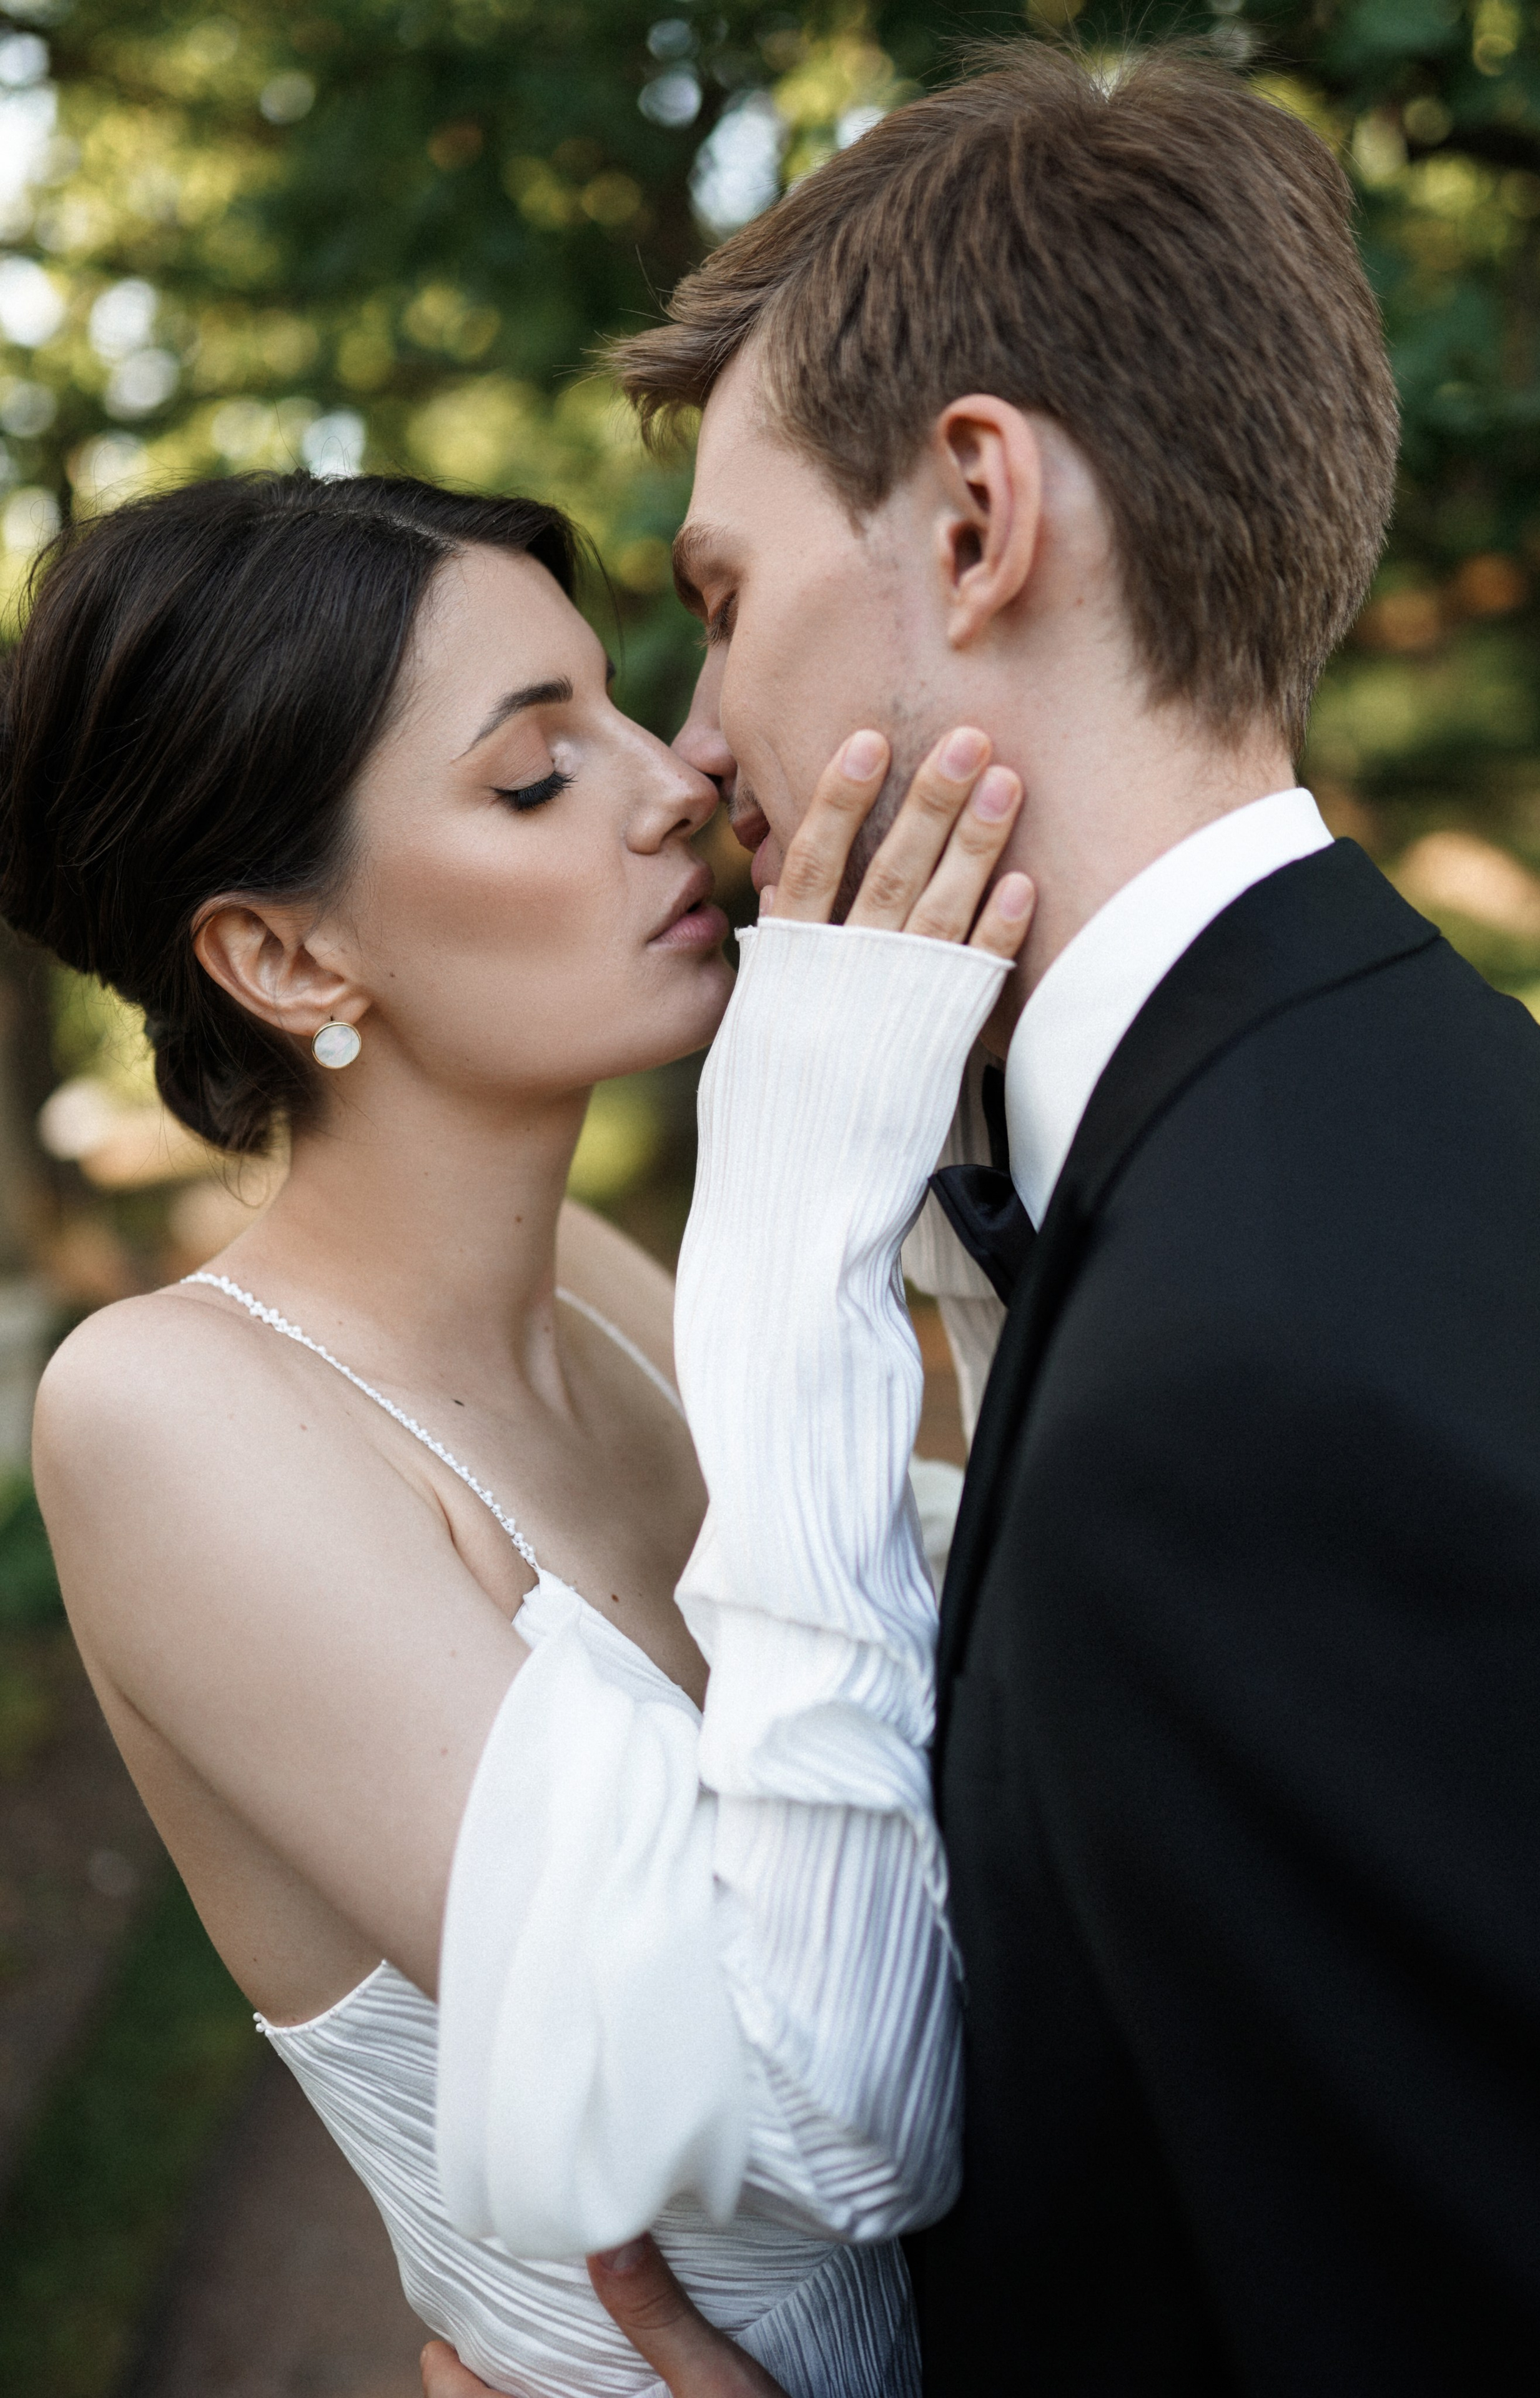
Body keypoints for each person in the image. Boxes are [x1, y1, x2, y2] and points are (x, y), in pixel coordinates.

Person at [432, 32, 1540, 2398]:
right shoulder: (1424, 1105)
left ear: (975, 519)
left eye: (725, 594)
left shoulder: (1242, 1379)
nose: (705, 747)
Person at [8, 469, 1035, 2397]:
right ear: (291, 958)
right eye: (534, 776)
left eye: (624, 708)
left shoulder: (595, 1282)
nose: (674, 781)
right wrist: (811, 1205)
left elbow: (1024, 1700)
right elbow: (821, 2111)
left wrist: (945, 1153)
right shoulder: (167, 1420)